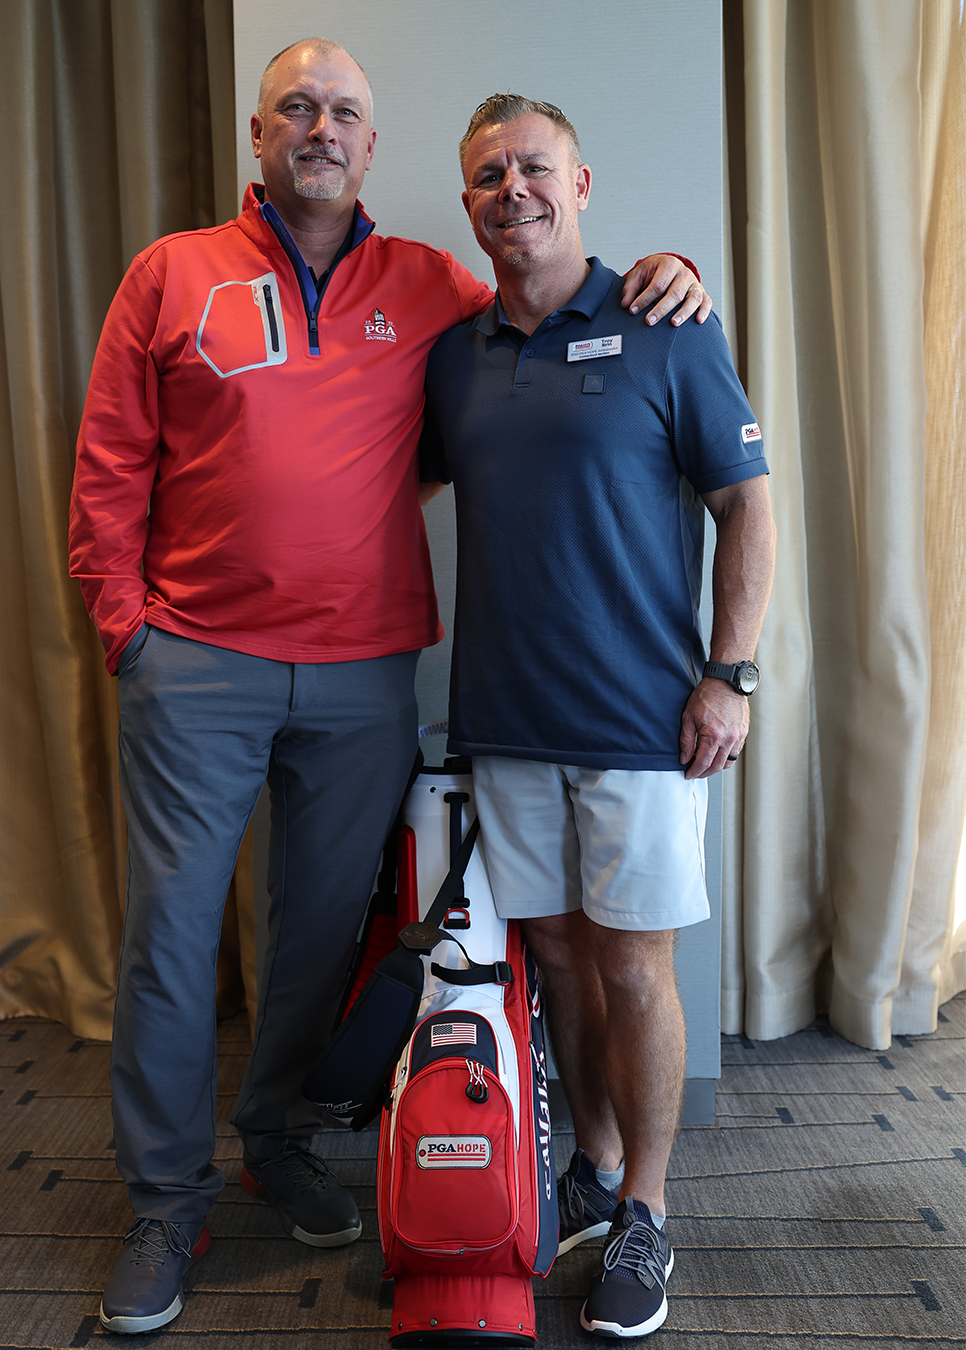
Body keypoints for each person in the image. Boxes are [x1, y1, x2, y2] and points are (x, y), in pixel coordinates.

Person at [68, 40, 709, 1335]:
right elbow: (109, 461)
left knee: (315, 935)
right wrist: (125, 625)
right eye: (297, 107)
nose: (320, 126)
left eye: (345, 112)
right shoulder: (171, 273)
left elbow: (550, 294)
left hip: (366, 672)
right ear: (261, 134)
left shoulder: (430, 286)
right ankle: (161, 1199)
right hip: (195, 660)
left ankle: (276, 1137)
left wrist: (669, 272)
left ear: (369, 148)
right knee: (175, 942)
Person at [421, 95, 775, 1339]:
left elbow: (749, 509)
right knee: (561, 957)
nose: (509, 189)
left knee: (635, 962)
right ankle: (596, 1159)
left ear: (580, 183)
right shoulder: (453, 357)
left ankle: (648, 1211)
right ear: (467, 201)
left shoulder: (667, 321)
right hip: (506, 718)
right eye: (485, 175)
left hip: (641, 721)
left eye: (532, 168)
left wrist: (729, 676)